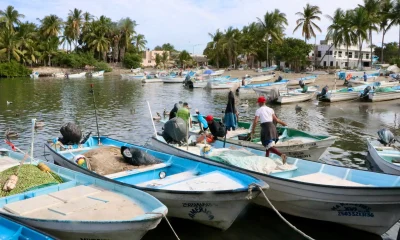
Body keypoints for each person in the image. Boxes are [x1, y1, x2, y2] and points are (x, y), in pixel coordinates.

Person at [251, 96, 288, 163]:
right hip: (272, 127)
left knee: (267, 144)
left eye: (258, 103)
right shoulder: (270, 109)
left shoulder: (258, 110)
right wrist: (284, 123)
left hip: (266, 128)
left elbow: (255, 121)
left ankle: (281, 155)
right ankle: (267, 157)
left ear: (259, 103)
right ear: (264, 102)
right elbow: (276, 119)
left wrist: (253, 130)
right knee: (268, 144)